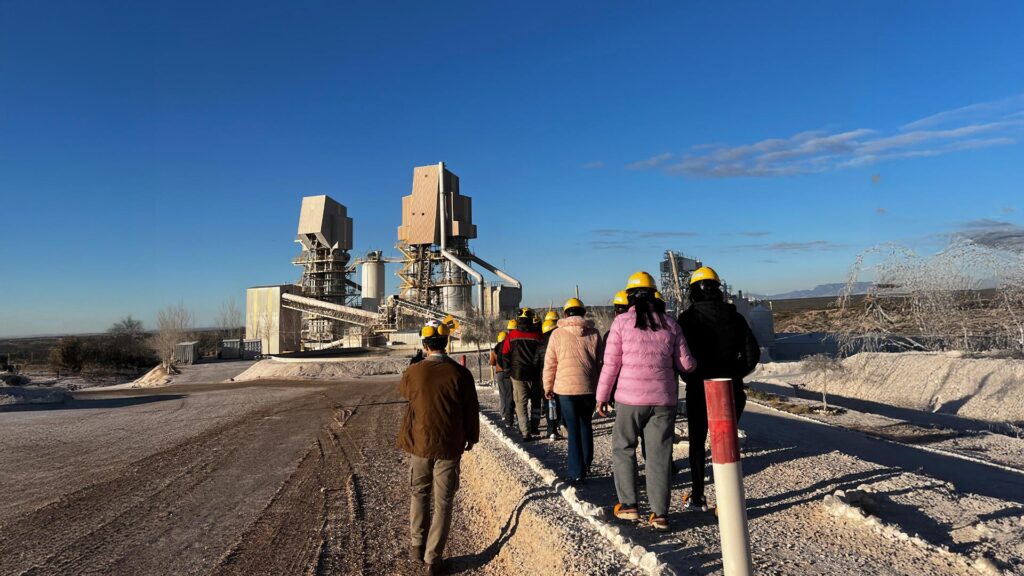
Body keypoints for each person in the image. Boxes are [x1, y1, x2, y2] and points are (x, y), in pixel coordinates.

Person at [596, 271, 696, 530]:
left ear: (629, 296)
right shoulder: (671, 324)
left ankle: (629, 505)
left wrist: (602, 396)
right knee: (659, 456)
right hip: (663, 401)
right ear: (654, 295)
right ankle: (660, 514)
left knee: (624, 448)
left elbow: (611, 365)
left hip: (629, 401)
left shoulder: (620, 323)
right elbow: (686, 365)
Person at [397, 320, 480, 574]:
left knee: (419, 493)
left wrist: (413, 367)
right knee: (443, 501)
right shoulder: (461, 374)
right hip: (449, 445)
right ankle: (433, 560)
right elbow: (471, 409)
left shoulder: (415, 372)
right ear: (447, 342)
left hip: (420, 444)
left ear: (425, 345)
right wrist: (472, 436)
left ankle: (417, 545)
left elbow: (404, 391)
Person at [677, 266, 760, 512]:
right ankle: (728, 500)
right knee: (725, 444)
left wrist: (691, 376)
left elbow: (679, 358)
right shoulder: (736, 318)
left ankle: (698, 496)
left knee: (697, 443)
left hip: (699, 389)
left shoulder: (687, 320)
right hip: (730, 390)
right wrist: (733, 375)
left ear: (693, 291)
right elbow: (752, 355)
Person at [543, 298, 603, 484]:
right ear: (583, 313)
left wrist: (548, 386)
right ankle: (586, 463)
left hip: (565, 390)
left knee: (573, 429)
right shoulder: (594, 333)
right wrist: (602, 388)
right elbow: (601, 363)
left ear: (565, 313)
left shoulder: (557, 334)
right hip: (589, 387)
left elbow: (550, 364)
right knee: (585, 424)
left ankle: (576, 472)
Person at [501, 308, 544, 440]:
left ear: (518, 319)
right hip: (535, 374)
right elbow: (543, 355)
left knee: (521, 404)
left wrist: (508, 371)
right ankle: (535, 426)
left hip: (518, 375)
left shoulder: (511, 336)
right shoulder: (538, 336)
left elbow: (504, 355)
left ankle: (525, 432)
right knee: (536, 402)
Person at [538, 318, 561, 440]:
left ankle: (551, 430)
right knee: (560, 403)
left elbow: (535, 363)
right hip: (559, 377)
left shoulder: (540, 346)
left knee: (549, 404)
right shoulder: (560, 343)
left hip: (545, 378)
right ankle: (560, 425)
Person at [493, 319, 517, 427]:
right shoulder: (512, 342)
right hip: (511, 373)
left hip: (501, 373)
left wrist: (503, 367)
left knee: (504, 395)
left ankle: (505, 415)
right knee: (512, 396)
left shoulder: (498, 347)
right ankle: (512, 417)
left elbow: (493, 361)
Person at [489, 329, 514, 426]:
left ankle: (503, 413)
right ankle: (509, 413)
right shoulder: (508, 347)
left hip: (499, 374)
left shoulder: (495, 350)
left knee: (502, 395)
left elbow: (492, 362)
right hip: (508, 373)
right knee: (509, 394)